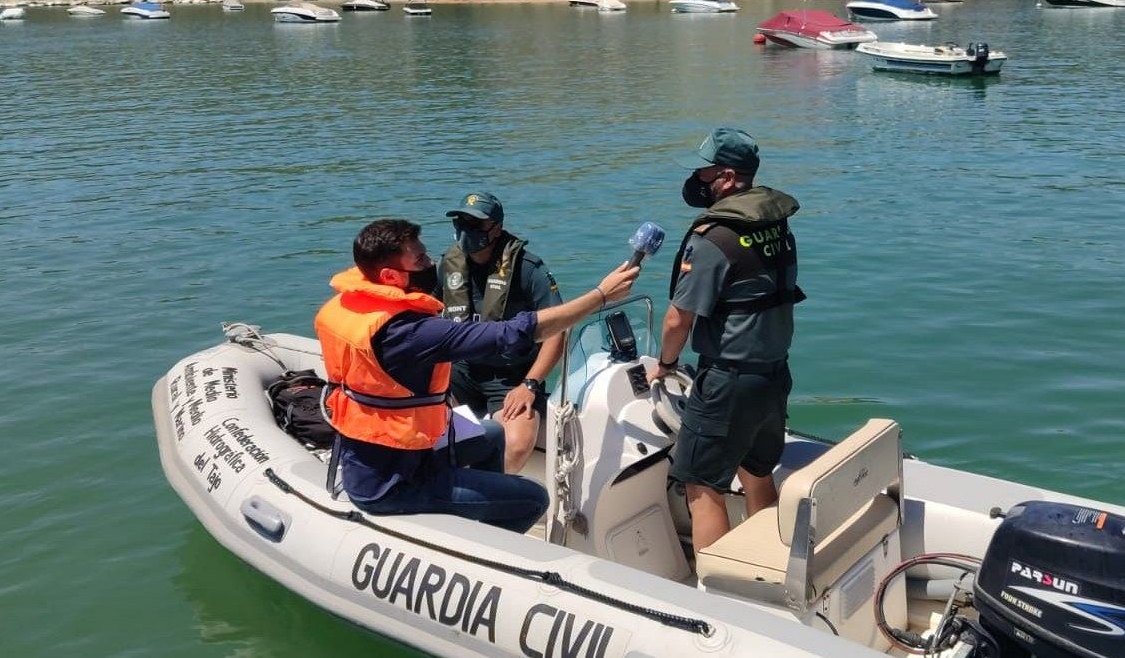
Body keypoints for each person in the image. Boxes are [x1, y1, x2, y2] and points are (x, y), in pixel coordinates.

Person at [315, 218, 640, 533]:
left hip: (382, 451)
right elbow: (512, 333)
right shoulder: (410, 333)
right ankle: (484, 550)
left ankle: (476, 513)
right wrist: (600, 296)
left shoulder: (352, 303)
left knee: (492, 436)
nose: (431, 262)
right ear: (390, 275)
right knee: (533, 498)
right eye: (421, 259)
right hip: (393, 482)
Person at [648, 127, 803, 551]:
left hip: (729, 381)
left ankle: (714, 594)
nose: (699, 180)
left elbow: (678, 318)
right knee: (756, 474)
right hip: (772, 376)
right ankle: (768, 565)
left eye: (706, 173)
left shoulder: (715, 237)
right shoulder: (774, 223)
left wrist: (665, 364)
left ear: (730, 178)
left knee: (700, 487)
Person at [439, 192, 566, 475]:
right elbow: (425, 316)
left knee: (518, 442)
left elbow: (558, 331)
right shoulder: (448, 265)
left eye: (476, 224)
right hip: (462, 368)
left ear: (496, 227)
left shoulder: (527, 268)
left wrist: (530, 385)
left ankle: (487, 493)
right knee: (413, 405)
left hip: (511, 376)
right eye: (461, 222)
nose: (466, 230)